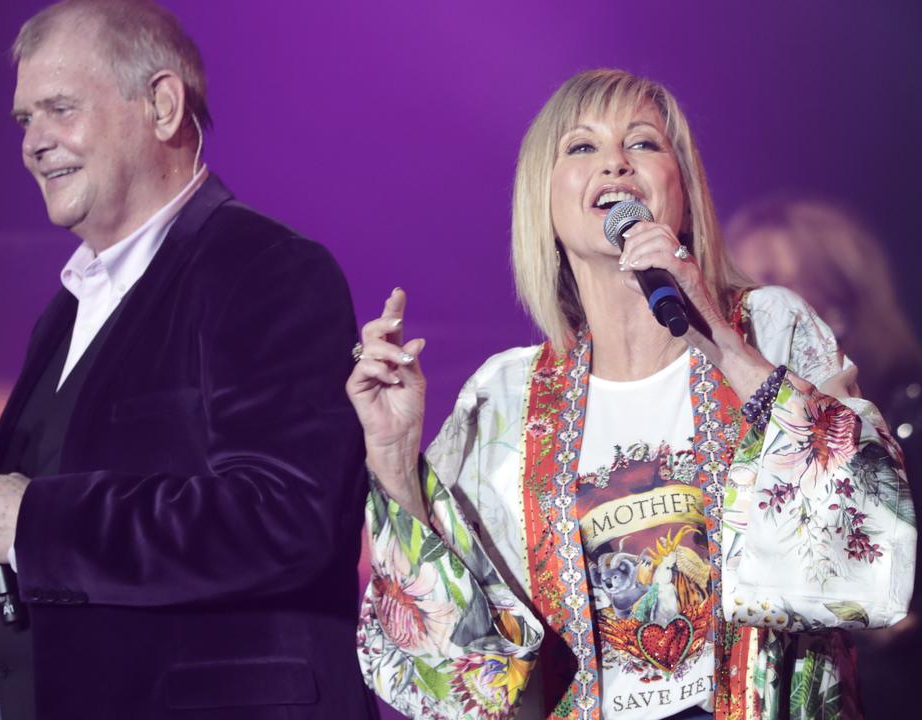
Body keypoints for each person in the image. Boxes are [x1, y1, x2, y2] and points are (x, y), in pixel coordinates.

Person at [347, 69, 914, 720]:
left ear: (683, 187)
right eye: (582, 147)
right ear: (545, 198)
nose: (615, 161)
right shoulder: (506, 396)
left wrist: (725, 345)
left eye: (642, 143)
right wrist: (391, 456)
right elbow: (461, 674)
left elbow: (868, 526)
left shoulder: (772, 326)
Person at [0, 2, 375, 718]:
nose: (35, 143)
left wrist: (35, 524)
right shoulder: (68, 310)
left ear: (163, 106)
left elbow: (286, 516)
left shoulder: (266, 269)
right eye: (25, 120)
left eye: (59, 109)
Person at [726, 197, 922, 718]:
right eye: (743, 289)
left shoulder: (904, 410)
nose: (754, 307)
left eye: (773, 284)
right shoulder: (730, 421)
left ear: (837, 302)